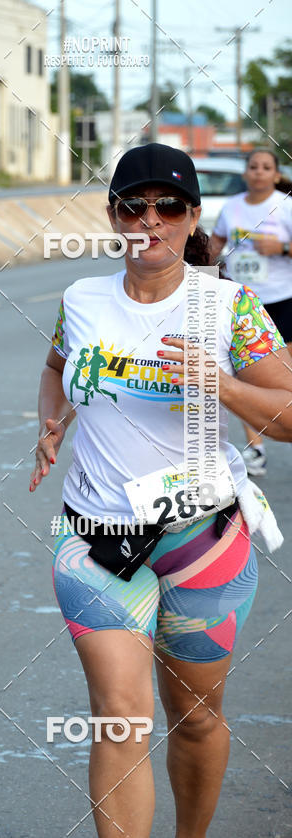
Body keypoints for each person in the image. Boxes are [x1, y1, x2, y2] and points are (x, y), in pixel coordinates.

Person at [30, 143, 292, 838]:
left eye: (169, 205)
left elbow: (289, 415)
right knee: (119, 716)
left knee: (197, 719)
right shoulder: (81, 299)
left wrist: (221, 383)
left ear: (194, 215)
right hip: (96, 538)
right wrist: (51, 422)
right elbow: (57, 365)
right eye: (133, 205)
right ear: (113, 215)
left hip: (204, 541)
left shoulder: (229, 308)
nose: (151, 219)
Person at [210, 148, 292, 476]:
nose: (258, 172)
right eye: (253, 167)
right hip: (243, 307)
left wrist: (281, 248)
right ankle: (255, 448)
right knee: (245, 379)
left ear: (275, 174)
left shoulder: (286, 207)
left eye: (266, 167)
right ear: (245, 173)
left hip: (284, 301)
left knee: (284, 381)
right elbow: (213, 247)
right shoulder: (232, 208)